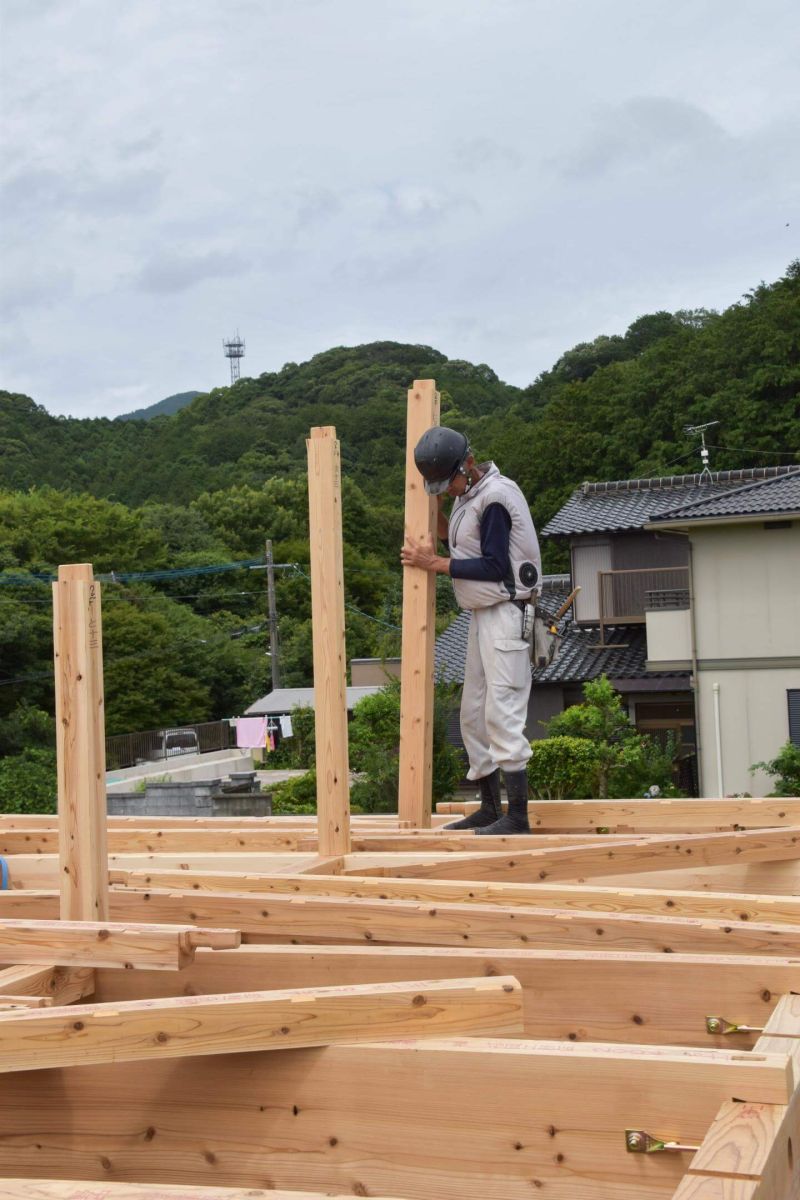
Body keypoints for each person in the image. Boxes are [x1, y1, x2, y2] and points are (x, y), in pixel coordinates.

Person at [400, 427, 541, 835]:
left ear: (469, 464)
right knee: (473, 714)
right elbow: (468, 546)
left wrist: (435, 563)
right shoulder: (470, 497)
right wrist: (437, 527)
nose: (446, 491)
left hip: (506, 614)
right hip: (483, 615)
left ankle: (517, 817)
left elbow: (496, 565)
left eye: (449, 483)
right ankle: (489, 807)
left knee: (501, 711)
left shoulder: (496, 497)